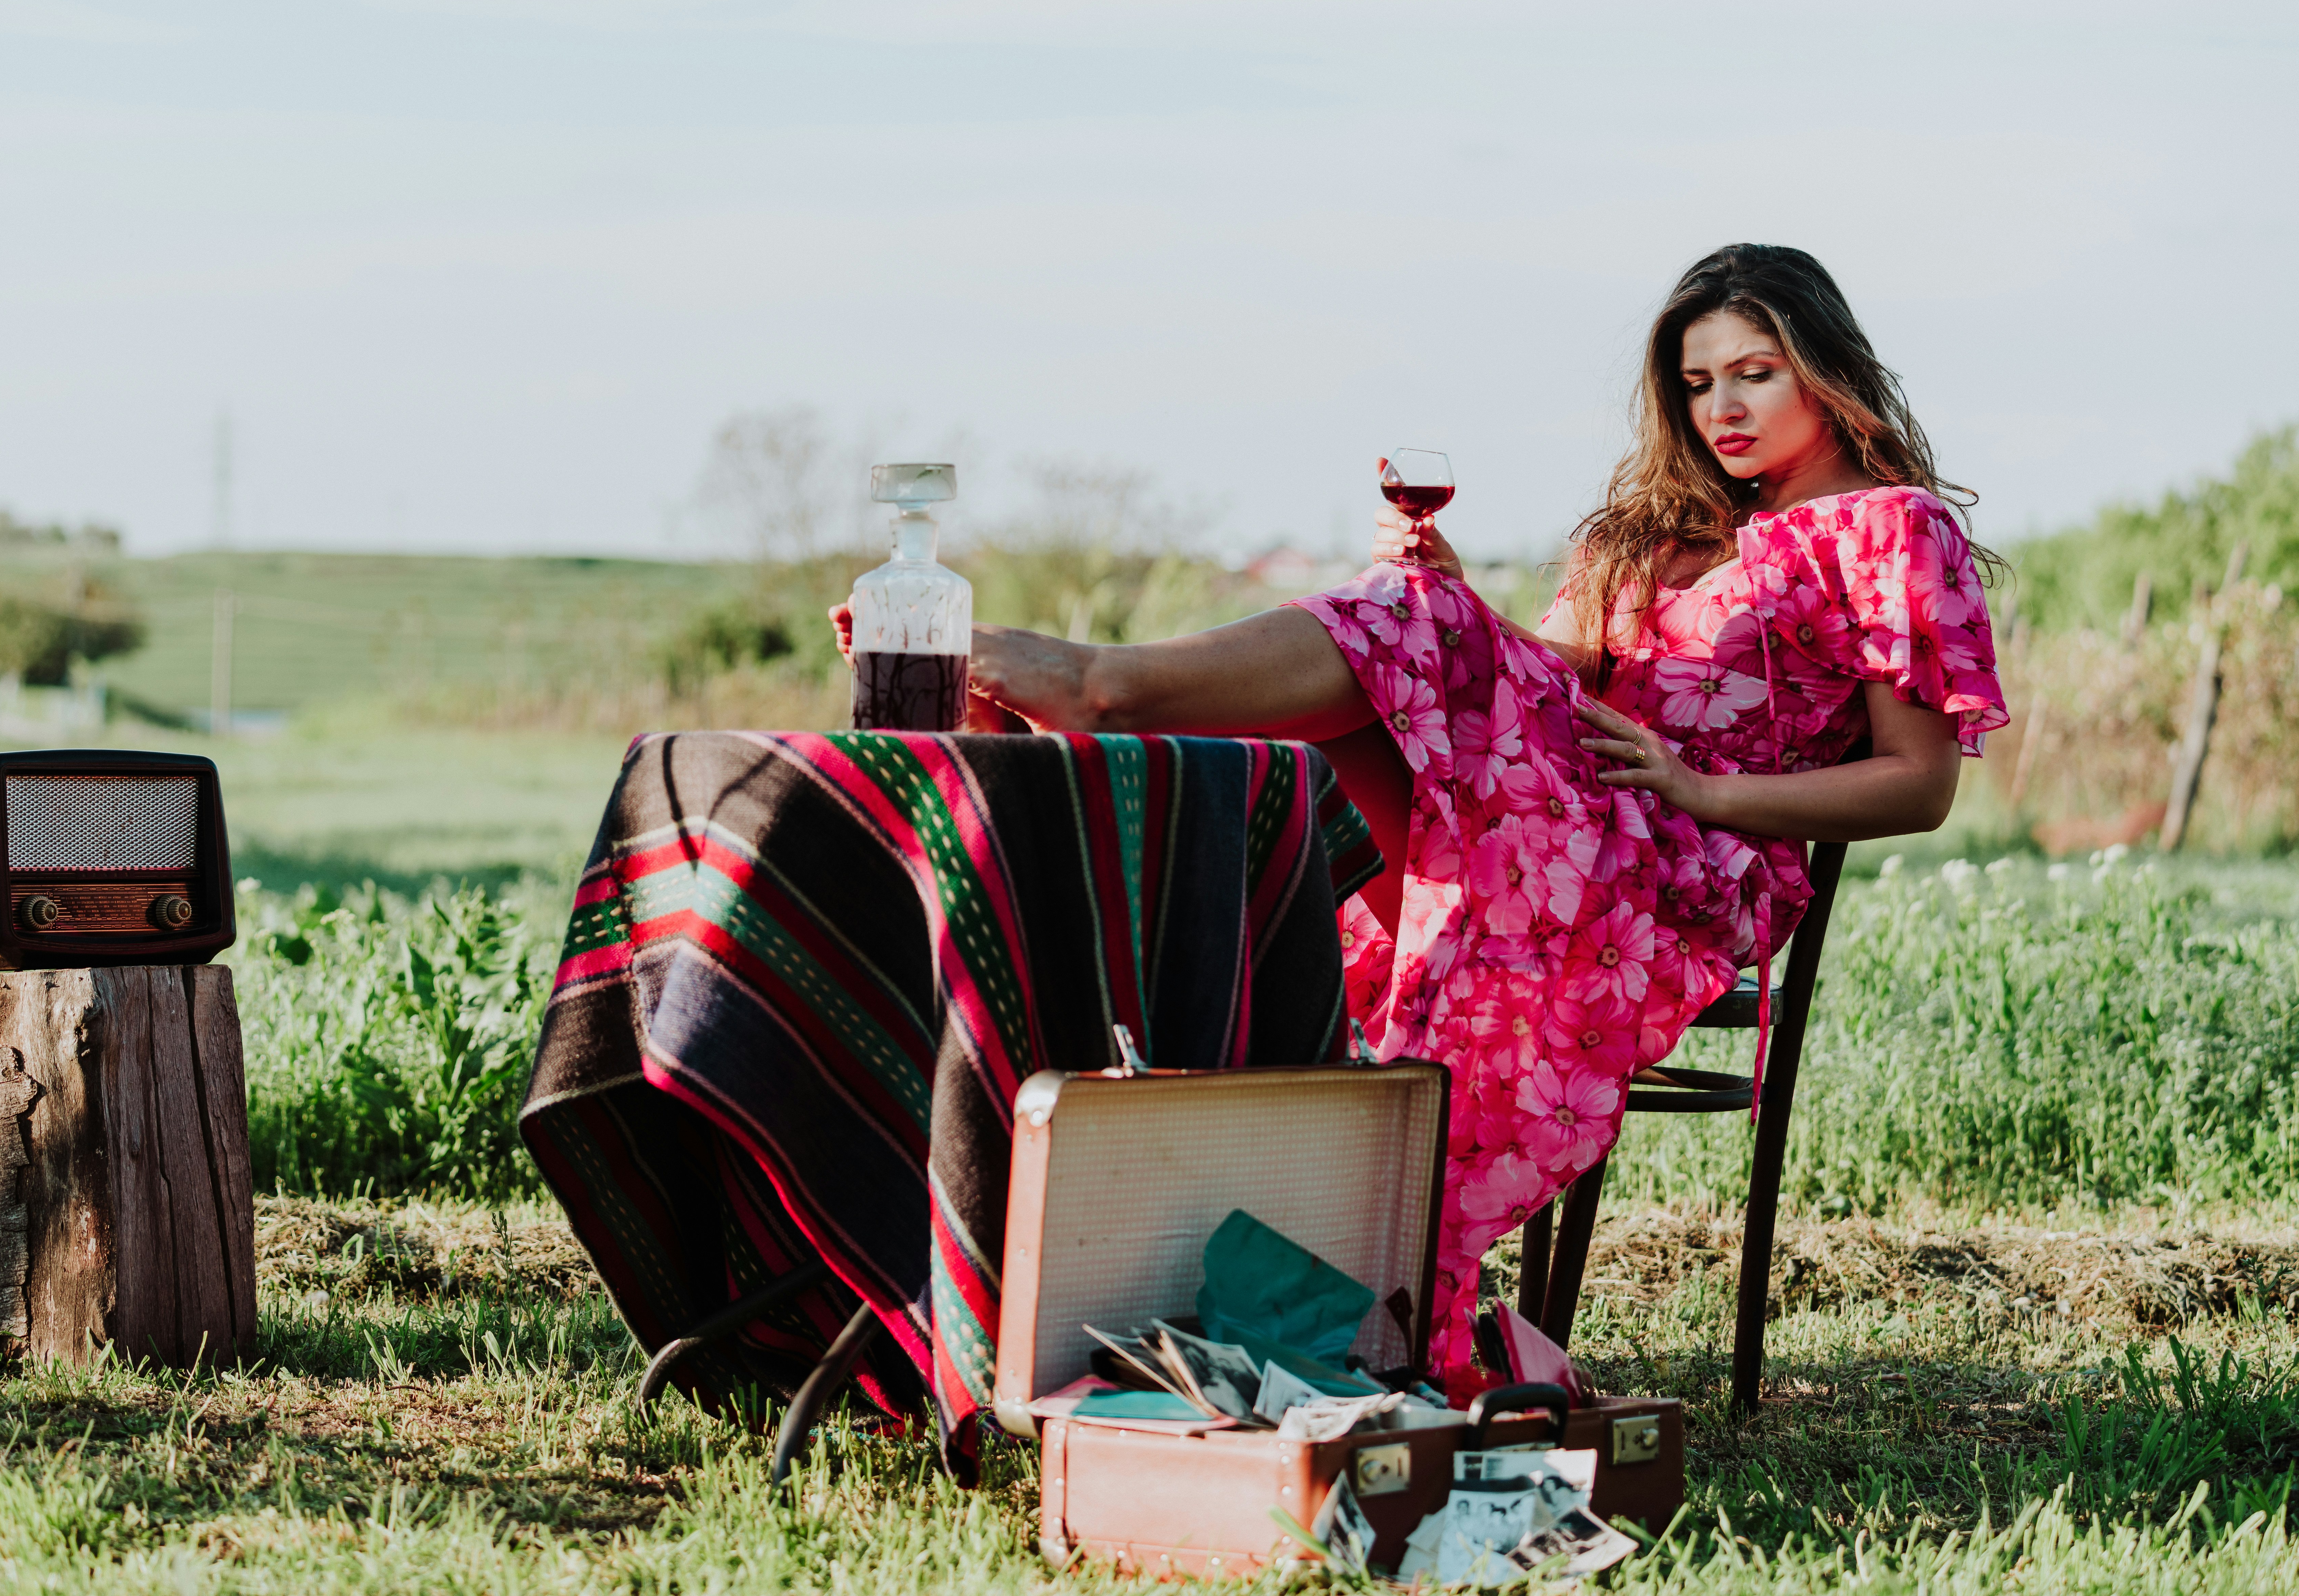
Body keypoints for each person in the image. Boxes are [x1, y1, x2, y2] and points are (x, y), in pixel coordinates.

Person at [835, 244, 2007, 1365]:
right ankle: (1098, 779)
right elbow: (1554, 676)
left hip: (1682, 872)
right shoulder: (1653, 533)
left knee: (1402, 655)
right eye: (1698, 383)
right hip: (1549, 819)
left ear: (1826, 364)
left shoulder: (1893, 532)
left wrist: (1703, 786)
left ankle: (1101, 698)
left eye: (1756, 372)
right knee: (1399, 639)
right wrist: (1463, 605)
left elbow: (1922, 785)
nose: (1723, 410)